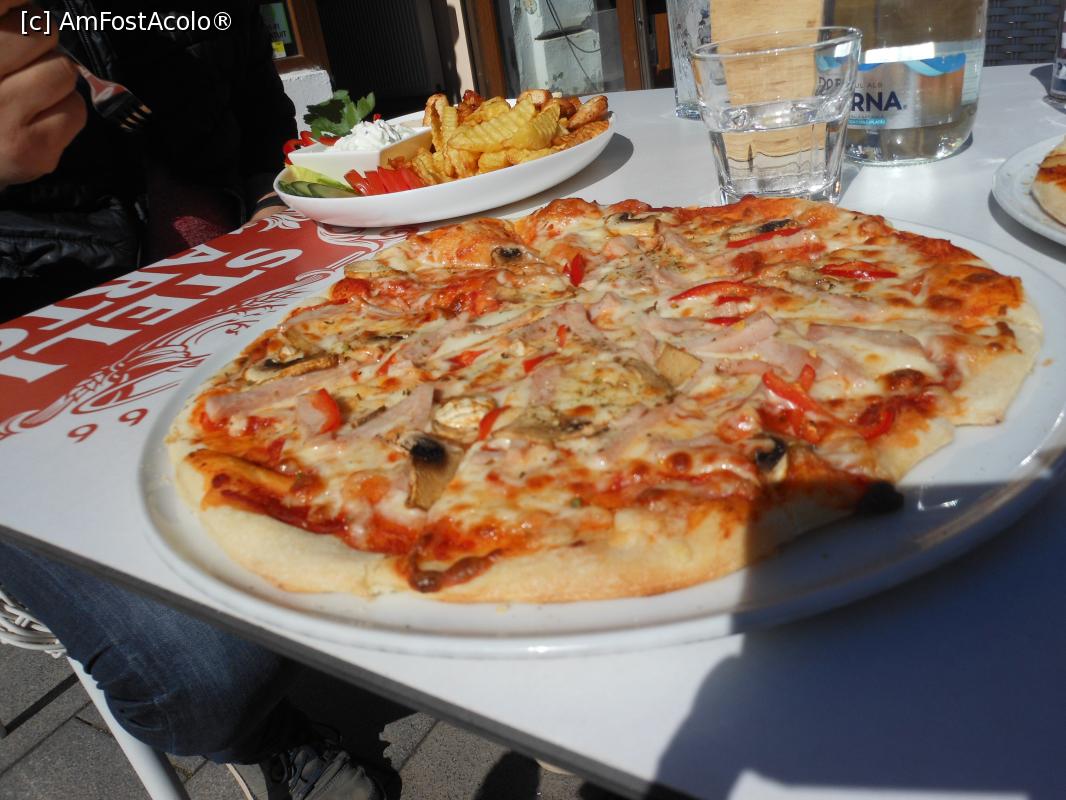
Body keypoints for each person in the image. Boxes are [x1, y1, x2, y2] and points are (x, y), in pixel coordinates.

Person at [0, 2, 384, 797]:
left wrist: (274, 201)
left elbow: (263, 123)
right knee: (206, 673)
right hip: (31, 372)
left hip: (237, 296)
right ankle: (271, 735)